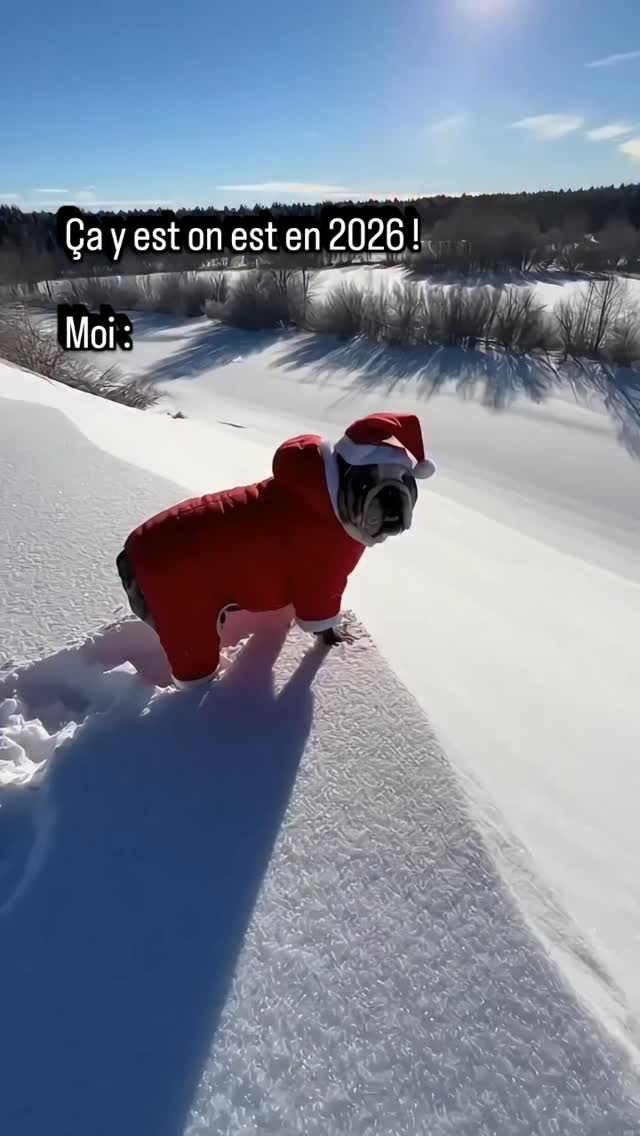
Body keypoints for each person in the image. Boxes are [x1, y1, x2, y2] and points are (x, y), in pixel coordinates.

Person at [116, 412, 436, 689]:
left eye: (403, 487)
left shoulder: (314, 501)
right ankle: (192, 713)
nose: (392, 502)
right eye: (367, 488)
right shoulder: (326, 538)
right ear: (342, 481)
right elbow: (318, 597)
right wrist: (328, 633)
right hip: (165, 562)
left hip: (159, 549)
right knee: (193, 655)